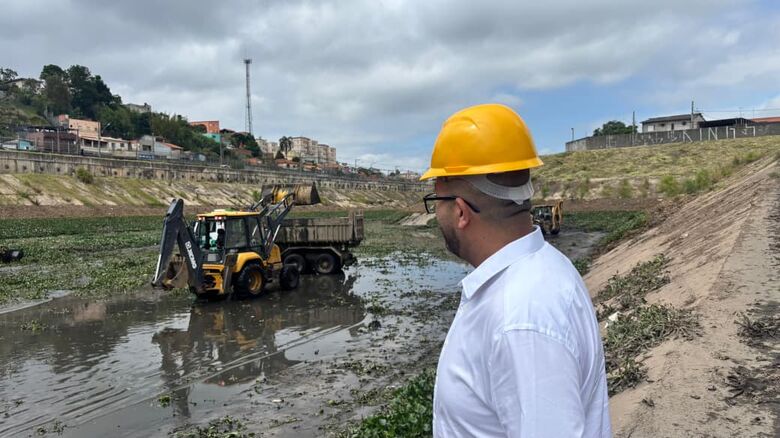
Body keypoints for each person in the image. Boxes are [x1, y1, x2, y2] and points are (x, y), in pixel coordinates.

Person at [420, 104, 610, 437]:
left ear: (461, 212)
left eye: (436, 204)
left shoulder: (521, 318)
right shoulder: (543, 270)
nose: (437, 216)